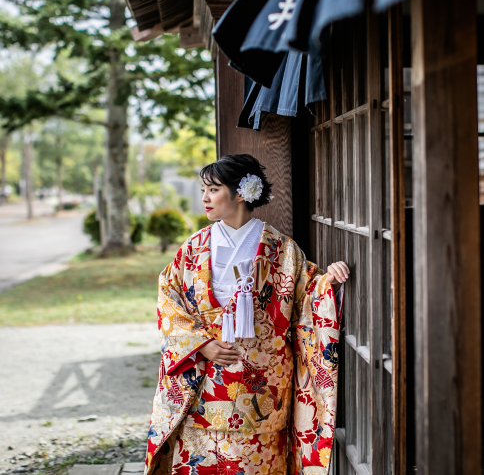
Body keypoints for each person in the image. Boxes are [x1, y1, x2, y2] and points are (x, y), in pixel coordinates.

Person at [146, 154, 349, 475]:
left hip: (262, 388)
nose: (204, 198)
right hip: (204, 379)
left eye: (212, 189)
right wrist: (201, 344)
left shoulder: (281, 249)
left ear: (241, 193)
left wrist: (329, 282)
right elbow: (168, 298)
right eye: (203, 189)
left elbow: (307, 298)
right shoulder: (194, 247)